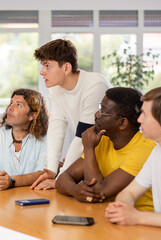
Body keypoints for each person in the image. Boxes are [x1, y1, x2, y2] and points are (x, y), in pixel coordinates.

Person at [105, 86, 161, 231]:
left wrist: (137, 217)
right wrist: (120, 208)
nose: (139, 119)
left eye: (145, 115)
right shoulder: (158, 152)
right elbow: (129, 193)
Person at [55, 87, 155, 211]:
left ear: (122, 123)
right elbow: (63, 177)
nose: (96, 114)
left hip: (139, 221)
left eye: (103, 111)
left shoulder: (145, 149)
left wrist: (89, 148)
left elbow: (98, 192)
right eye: (99, 107)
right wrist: (75, 190)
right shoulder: (103, 140)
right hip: (106, 214)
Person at [31, 39, 111, 190]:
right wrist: (52, 171)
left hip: (108, 154)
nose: (42, 72)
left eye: (47, 66)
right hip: (89, 153)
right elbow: (56, 128)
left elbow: (83, 136)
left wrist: (61, 178)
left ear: (66, 67)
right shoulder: (55, 89)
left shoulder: (95, 85)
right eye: (42, 66)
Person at [0, 89, 48, 190]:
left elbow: (43, 173)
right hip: (1, 200)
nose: (10, 108)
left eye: (18, 105)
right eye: (11, 103)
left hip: (32, 200)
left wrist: (11, 181)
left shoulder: (44, 140)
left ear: (32, 115)